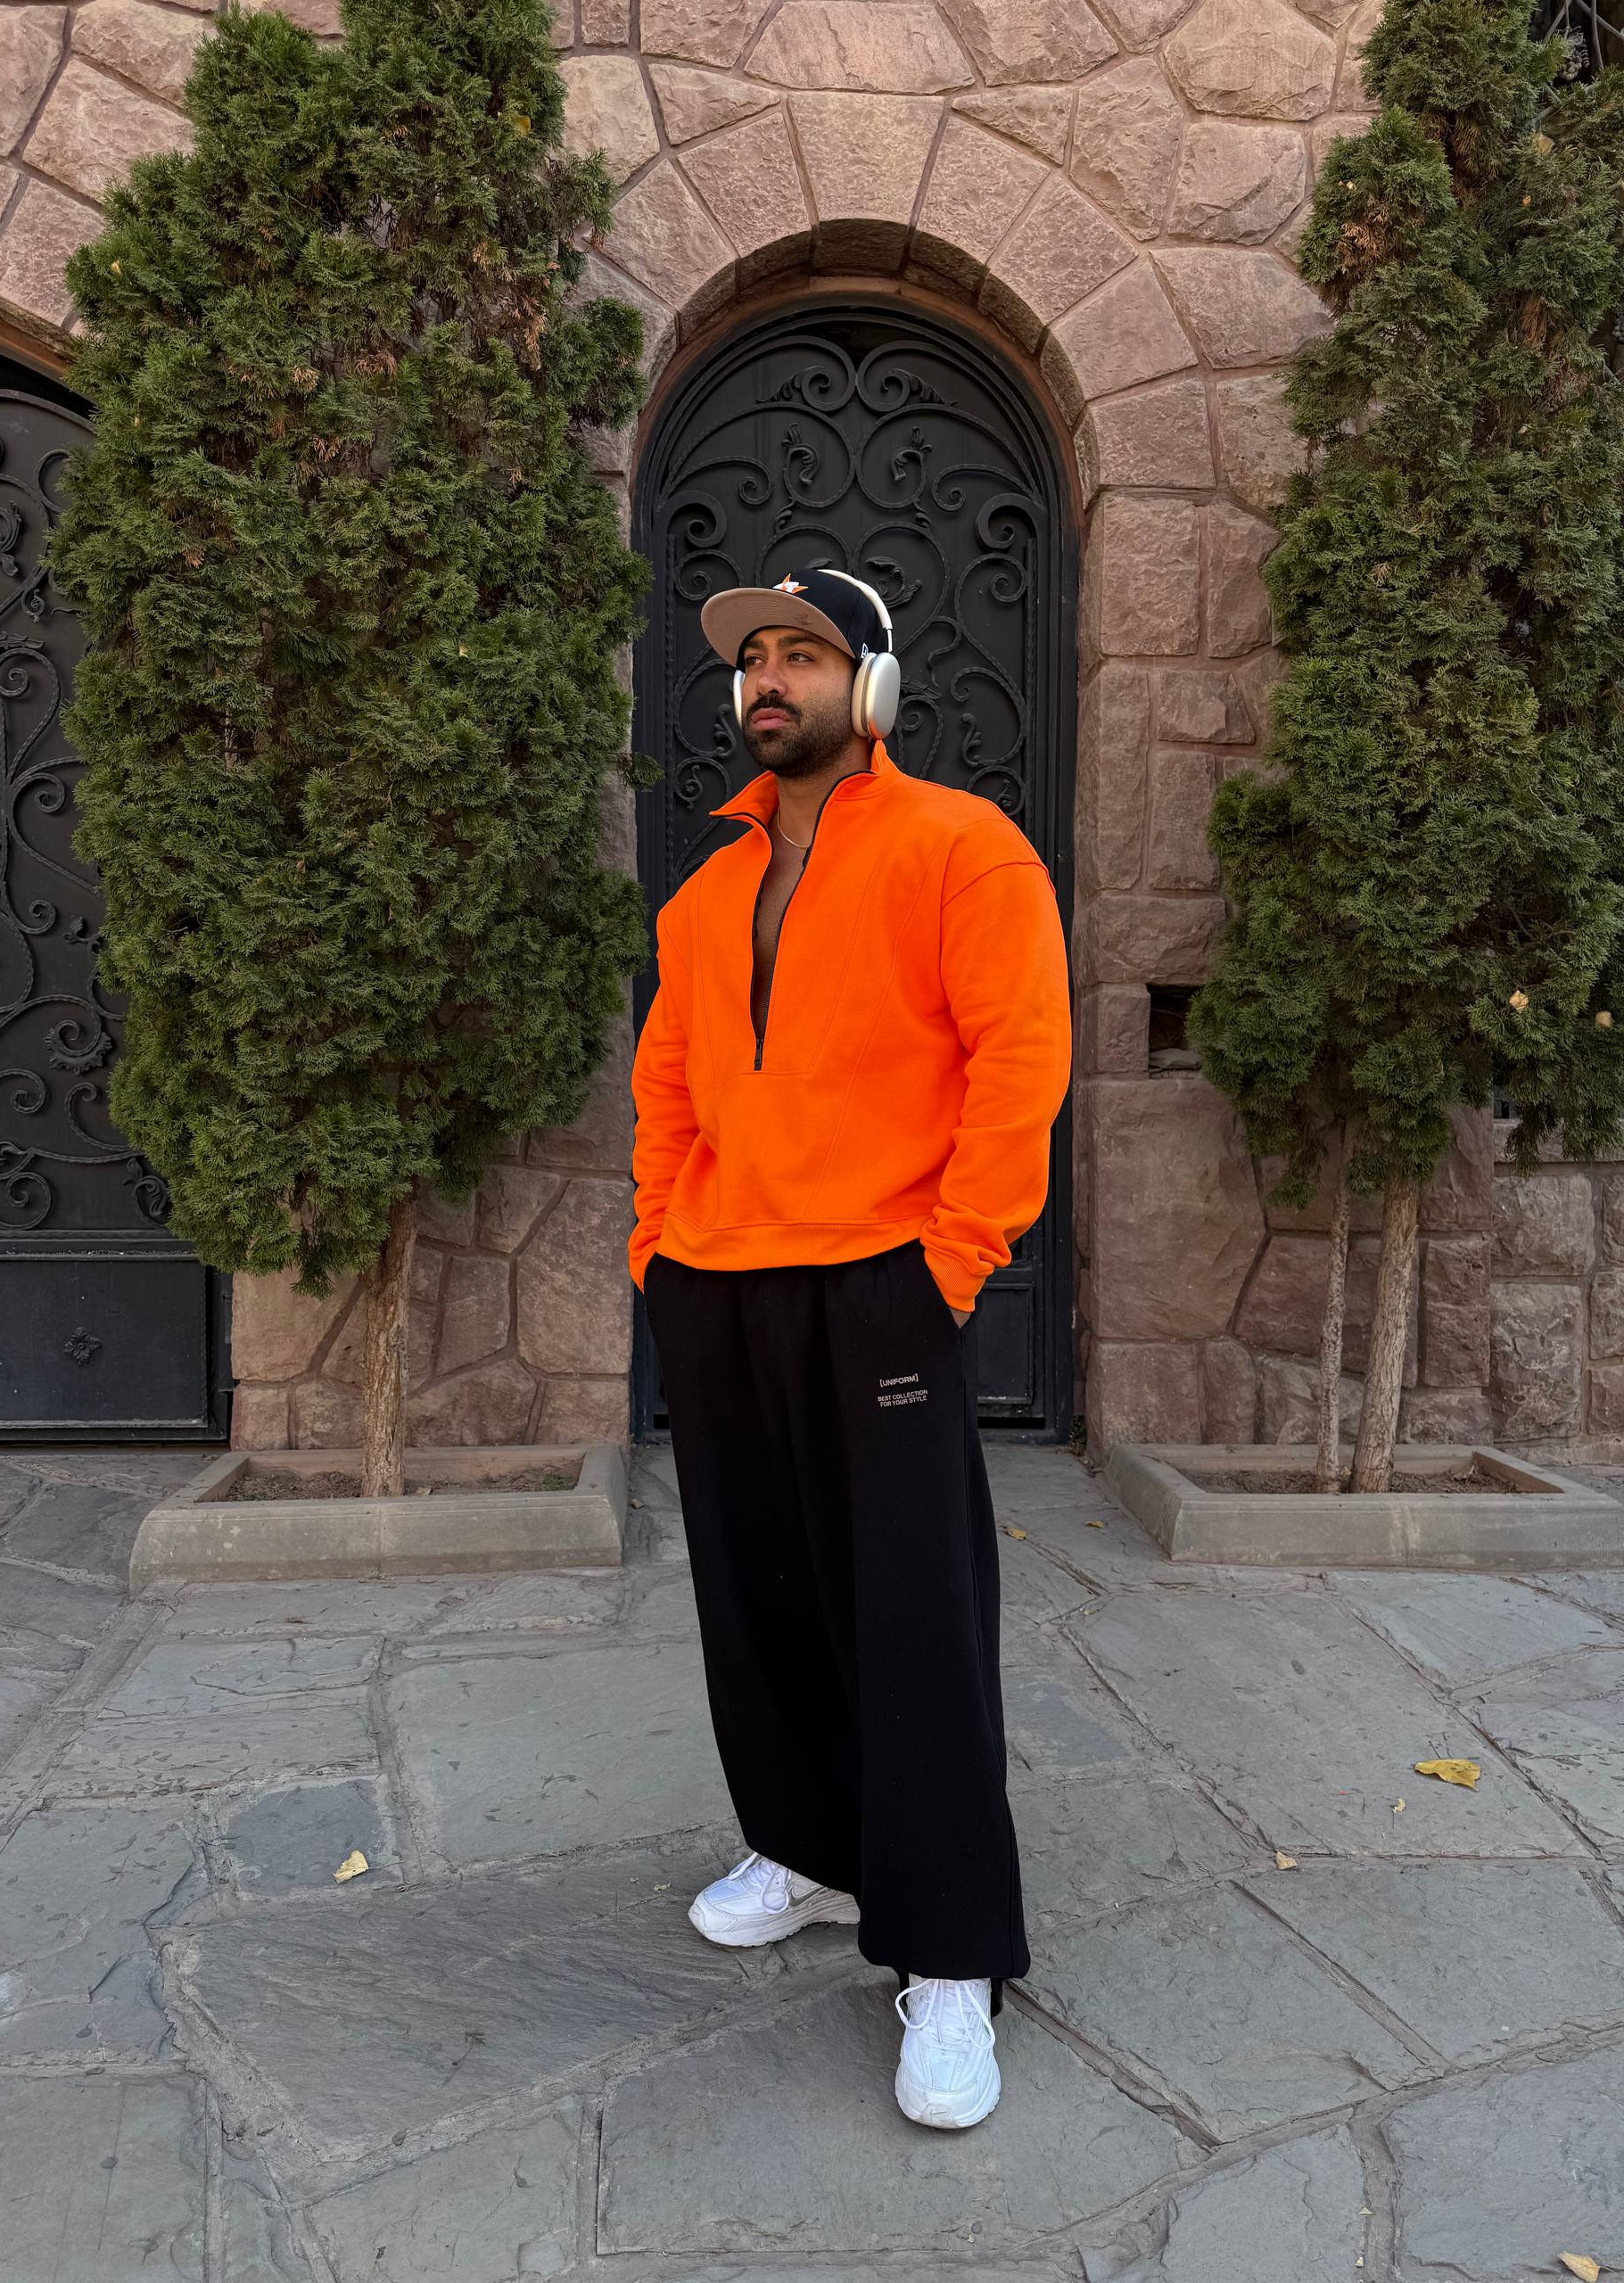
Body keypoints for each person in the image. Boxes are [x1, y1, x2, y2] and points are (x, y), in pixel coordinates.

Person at [628, 565, 1071, 2130]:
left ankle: (950, 1955)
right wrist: (657, 1247)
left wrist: (951, 1263)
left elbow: (1021, 1059)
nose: (769, 678)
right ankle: (812, 1852)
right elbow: (668, 1083)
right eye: (754, 657)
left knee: (914, 1619)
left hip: (882, 1282)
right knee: (762, 1602)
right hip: (718, 1286)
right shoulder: (704, 894)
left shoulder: (962, 846)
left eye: (803, 653)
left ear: (870, 686)